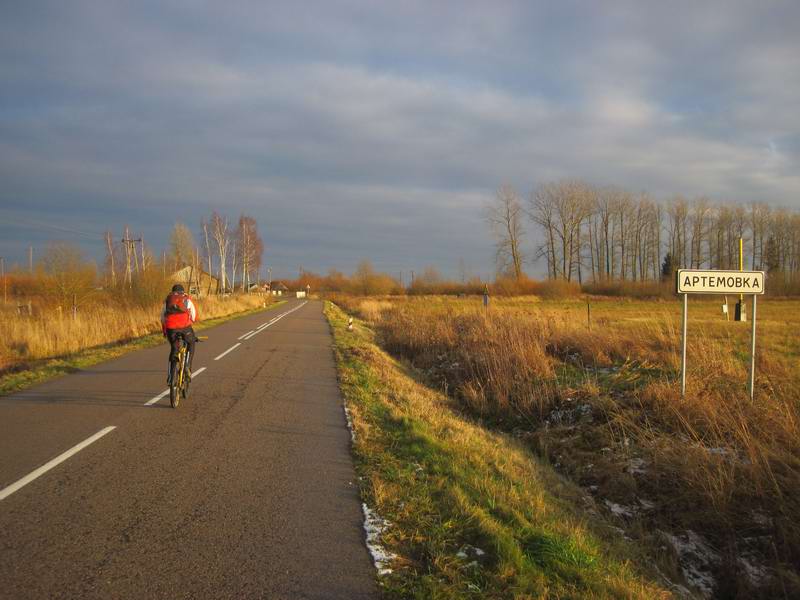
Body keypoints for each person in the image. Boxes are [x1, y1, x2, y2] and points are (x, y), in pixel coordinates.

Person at [161, 283, 198, 384]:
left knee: (174, 348)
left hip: (171, 329)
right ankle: (187, 366)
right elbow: (194, 316)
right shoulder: (186, 299)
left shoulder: (167, 300)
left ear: (172, 291)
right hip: (185, 328)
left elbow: (163, 318)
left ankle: (170, 376)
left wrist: (165, 331)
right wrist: (190, 321)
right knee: (191, 342)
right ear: (183, 291)